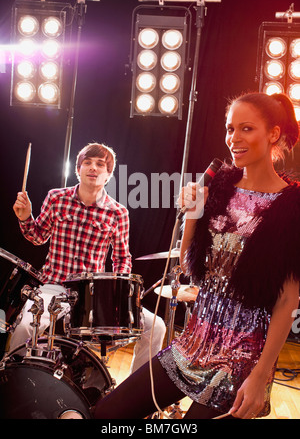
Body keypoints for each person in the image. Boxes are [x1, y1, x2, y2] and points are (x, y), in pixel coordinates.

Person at [93, 92, 300, 420]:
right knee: (105, 415)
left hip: (240, 361)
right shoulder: (218, 188)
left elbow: (288, 301)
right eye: (230, 129)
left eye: (246, 129)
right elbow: (190, 267)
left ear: (273, 133)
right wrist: (193, 212)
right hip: (191, 345)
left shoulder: (291, 205)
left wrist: (261, 375)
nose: (234, 138)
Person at [10, 142, 166, 372]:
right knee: (24, 327)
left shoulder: (118, 212)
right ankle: (11, 379)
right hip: (53, 285)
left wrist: (120, 294)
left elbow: (122, 258)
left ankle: (133, 393)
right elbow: (37, 236)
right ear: (78, 169)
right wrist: (25, 217)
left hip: (91, 293)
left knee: (156, 327)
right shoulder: (56, 198)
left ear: (108, 174)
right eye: (88, 163)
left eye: (100, 164)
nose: (93, 168)